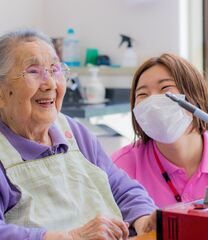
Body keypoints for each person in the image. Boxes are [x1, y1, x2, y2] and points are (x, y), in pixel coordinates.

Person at [0, 29, 157, 240]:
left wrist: (145, 219)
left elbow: (120, 187)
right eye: (34, 71)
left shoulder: (74, 132)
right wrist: (71, 237)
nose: (50, 84)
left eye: (55, 69)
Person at [112, 53, 208, 208]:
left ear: (194, 95)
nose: (153, 102)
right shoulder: (121, 165)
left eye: (165, 88)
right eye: (142, 94)